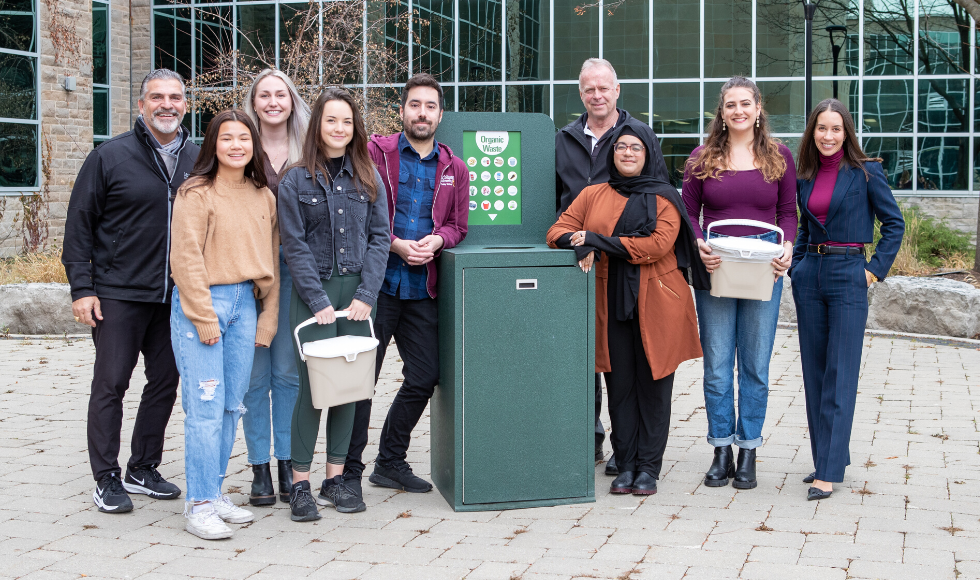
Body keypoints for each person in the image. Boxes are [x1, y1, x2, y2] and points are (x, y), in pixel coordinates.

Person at [62, 69, 200, 513]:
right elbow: (78, 225)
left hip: (175, 296)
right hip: (118, 294)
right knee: (111, 384)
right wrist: (81, 288)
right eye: (156, 97)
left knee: (164, 383)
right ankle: (106, 477)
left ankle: (143, 467)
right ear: (141, 105)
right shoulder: (110, 156)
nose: (167, 104)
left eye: (175, 97)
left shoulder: (199, 159)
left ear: (186, 105)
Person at [547, 119, 707, 496]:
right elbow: (556, 232)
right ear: (612, 154)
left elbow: (655, 246)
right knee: (618, 386)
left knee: (653, 386)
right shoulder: (593, 194)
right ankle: (626, 464)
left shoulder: (665, 196)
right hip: (610, 300)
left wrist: (598, 240)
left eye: (636, 147)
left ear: (648, 152)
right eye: (621, 147)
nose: (628, 153)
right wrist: (579, 242)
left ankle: (649, 468)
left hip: (659, 301)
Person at [342, 73, 469, 499]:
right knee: (361, 383)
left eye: (430, 106)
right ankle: (348, 474)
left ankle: (389, 462)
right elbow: (357, 218)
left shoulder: (455, 167)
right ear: (402, 110)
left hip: (422, 290)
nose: (422, 113)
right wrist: (395, 244)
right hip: (375, 288)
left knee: (424, 376)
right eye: (415, 104)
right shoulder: (375, 154)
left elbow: (458, 226)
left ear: (440, 114)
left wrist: (438, 240)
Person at [278, 88, 391, 520]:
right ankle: (300, 484)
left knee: (348, 389)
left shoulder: (369, 177)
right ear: (317, 126)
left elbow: (380, 239)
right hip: (315, 298)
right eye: (331, 121)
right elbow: (294, 245)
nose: (339, 129)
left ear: (354, 127)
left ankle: (335, 480)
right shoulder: (294, 180)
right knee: (311, 390)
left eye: (346, 121)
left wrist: (366, 295)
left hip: (358, 299)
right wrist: (318, 300)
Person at [555, 58, 670, 476]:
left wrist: (597, 241)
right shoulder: (564, 141)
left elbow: (656, 231)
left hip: (641, 283)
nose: (597, 95)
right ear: (581, 92)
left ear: (617, 90)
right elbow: (558, 213)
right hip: (586, 272)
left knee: (641, 372)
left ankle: (641, 460)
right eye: (589, 89)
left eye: (604, 88)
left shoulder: (647, 162)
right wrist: (574, 243)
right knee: (603, 368)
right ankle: (605, 450)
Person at [681, 77, 797, 490]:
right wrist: (697, 244)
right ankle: (720, 450)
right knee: (716, 366)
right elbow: (688, 211)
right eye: (731, 105)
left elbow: (788, 212)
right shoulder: (703, 157)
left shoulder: (780, 157)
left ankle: (748, 450)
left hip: (764, 268)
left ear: (758, 108)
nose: (738, 111)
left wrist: (787, 246)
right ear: (722, 112)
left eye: (745, 103)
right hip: (716, 266)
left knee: (755, 365)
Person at [169, 109, 279, 539]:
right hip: (205, 304)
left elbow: (271, 265)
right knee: (206, 408)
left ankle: (212, 493)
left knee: (233, 404)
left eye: (244, 139)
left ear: (254, 146)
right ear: (213, 144)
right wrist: (201, 315)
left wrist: (267, 319)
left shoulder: (263, 195)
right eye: (227, 138)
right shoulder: (196, 193)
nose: (236, 146)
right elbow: (185, 257)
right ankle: (197, 504)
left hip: (245, 304)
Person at [790, 98, 904, 500]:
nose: (828, 136)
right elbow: (805, 226)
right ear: (813, 132)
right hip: (811, 276)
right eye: (822, 128)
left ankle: (828, 471)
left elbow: (894, 224)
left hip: (849, 274)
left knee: (840, 372)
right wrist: (797, 268)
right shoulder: (805, 174)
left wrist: (873, 271)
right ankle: (827, 456)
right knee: (815, 371)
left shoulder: (866, 173)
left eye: (836, 129)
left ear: (847, 132)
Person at [240, 69, 311, 506]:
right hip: (247, 271)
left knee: (288, 373)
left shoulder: (309, 149)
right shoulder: (240, 144)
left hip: (295, 269)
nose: (272, 101)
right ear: (254, 101)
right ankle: (258, 470)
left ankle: (287, 464)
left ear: (291, 100)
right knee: (253, 377)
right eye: (263, 94)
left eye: (279, 94)